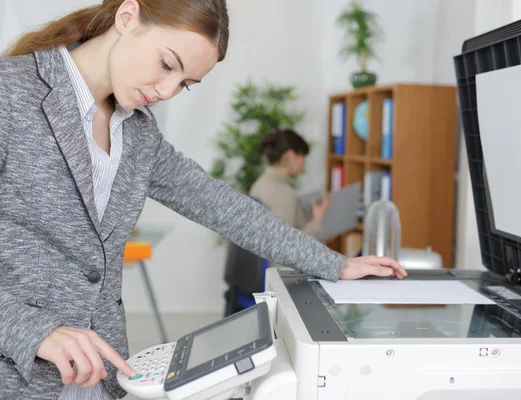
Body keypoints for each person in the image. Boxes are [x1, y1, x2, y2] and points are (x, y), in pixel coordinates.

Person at [0, 1, 407, 399]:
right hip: (16, 373)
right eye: (166, 64)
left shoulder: (139, 133)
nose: (165, 91)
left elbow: (225, 208)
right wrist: (33, 329)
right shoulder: (10, 94)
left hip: (99, 375)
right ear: (127, 17)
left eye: (184, 83)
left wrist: (336, 264)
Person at [250, 128, 330, 240]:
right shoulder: (284, 193)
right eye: (302, 156)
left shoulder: (259, 184)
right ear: (291, 155)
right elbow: (288, 245)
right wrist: (317, 220)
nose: (304, 163)